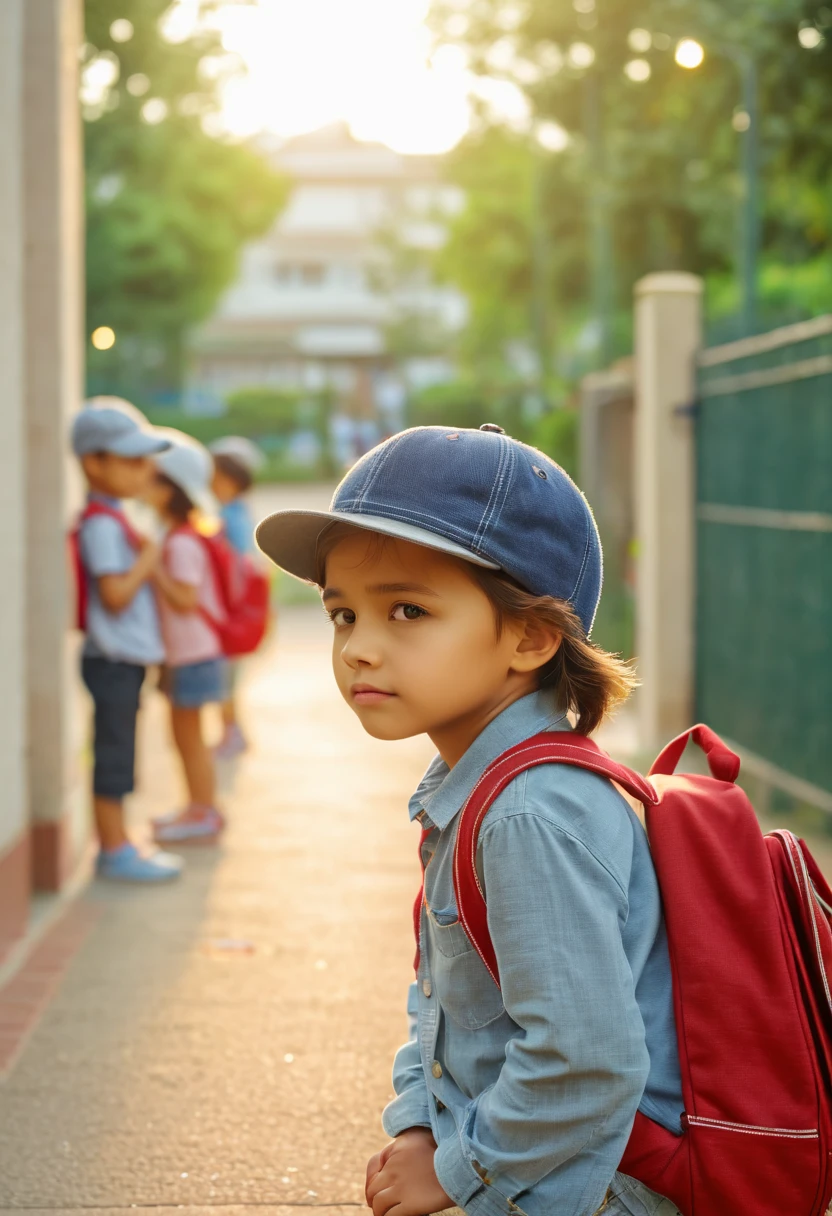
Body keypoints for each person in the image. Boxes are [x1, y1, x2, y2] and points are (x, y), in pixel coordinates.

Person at [255, 424, 684, 1216]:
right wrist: (420, 1125)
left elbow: (586, 1062)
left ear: (529, 635)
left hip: (588, 1191)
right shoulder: (471, 785)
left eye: (408, 611)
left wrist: (456, 1171)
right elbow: (446, 1005)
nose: (358, 649)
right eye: (343, 615)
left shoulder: (529, 811)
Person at [71, 397, 183, 883]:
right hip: (112, 659)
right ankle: (113, 849)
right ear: (93, 462)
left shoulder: (113, 516)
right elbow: (115, 594)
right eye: (131, 461)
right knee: (114, 753)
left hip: (120, 660)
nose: (144, 472)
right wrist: (150, 556)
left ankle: (119, 841)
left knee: (121, 748)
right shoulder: (100, 523)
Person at [146, 430, 226, 845]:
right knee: (184, 737)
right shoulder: (180, 537)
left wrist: (150, 565)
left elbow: (185, 598)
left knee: (189, 738)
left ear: (169, 492)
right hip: (189, 656)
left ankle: (204, 811)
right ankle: (197, 806)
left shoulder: (179, 544)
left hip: (193, 655)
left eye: (152, 478)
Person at [209, 436, 264, 758]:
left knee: (224, 679)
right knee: (226, 679)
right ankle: (231, 730)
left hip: (231, 611)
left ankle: (232, 732)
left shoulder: (230, 517)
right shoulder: (235, 512)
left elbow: (239, 567)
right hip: (236, 609)